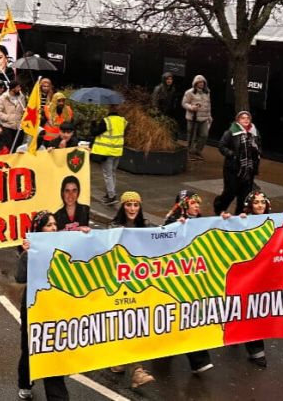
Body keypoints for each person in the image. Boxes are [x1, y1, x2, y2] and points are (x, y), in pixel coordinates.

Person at [16, 211, 69, 400]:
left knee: (52, 350)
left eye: (55, 224)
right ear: (39, 229)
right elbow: (20, 277)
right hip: (34, 306)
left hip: (56, 306)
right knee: (29, 348)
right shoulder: (30, 250)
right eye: (48, 225)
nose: (53, 228)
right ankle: (25, 382)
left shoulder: (65, 245)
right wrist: (26, 254)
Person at [107, 192, 157, 388]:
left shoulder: (146, 226)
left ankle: (130, 366)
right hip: (119, 285)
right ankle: (134, 369)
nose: (132, 208)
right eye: (128, 204)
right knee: (126, 324)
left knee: (134, 325)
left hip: (140, 284)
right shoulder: (113, 227)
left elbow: (161, 241)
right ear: (122, 206)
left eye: (136, 204)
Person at [162, 190, 214, 373]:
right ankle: (198, 360)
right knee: (186, 317)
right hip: (177, 281)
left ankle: (165, 347)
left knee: (186, 318)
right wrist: (176, 229)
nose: (197, 206)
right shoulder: (171, 223)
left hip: (196, 280)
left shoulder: (203, 222)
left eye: (198, 202)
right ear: (184, 205)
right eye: (193, 203)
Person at [232, 190, 273, 366]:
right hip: (244, 275)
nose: (260, 205)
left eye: (263, 202)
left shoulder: (274, 221)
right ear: (249, 205)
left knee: (254, 310)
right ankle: (256, 351)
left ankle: (238, 334)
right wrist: (232, 222)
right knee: (248, 310)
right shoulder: (242, 221)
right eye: (256, 202)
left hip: (263, 277)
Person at [213, 111, 261, 215]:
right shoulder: (231, 132)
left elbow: (258, 146)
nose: (246, 120)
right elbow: (221, 146)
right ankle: (219, 207)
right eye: (243, 118)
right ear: (238, 120)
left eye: (248, 118)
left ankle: (239, 215)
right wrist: (232, 154)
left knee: (244, 196)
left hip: (248, 169)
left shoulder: (254, 132)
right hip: (233, 169)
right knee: (230, 193)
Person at [91, 105, 128, 205]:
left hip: (107, 152)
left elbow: (94, 132)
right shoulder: (122, 121)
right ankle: (110, 192)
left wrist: (93, 122)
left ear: (109, 108)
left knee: (107, 174)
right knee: (112, 173)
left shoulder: (106, 121)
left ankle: (112, 196)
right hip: (117, 151)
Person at [182, 75, 212, 160]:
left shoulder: (207, 92)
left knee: (204, 135)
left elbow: (208, 105)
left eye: (202, 82)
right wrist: (191, 107)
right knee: (192, 136)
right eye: (199, 82)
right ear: (195, 83)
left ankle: (197, 151)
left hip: (204, 118)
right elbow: (184, 103)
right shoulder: (190, 92)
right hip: (193, 118)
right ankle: (189, 153)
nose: (201, 83)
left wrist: (209, 115)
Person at [0, 80, 26, 152]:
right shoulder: (3, 97)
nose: (19, 89)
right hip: (7, 127)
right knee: (8, 148)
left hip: (19, 127)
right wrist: (7, 118)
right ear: (13, 88)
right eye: (18, 87)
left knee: (18, 148)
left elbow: (23, 109)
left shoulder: (21, 97)